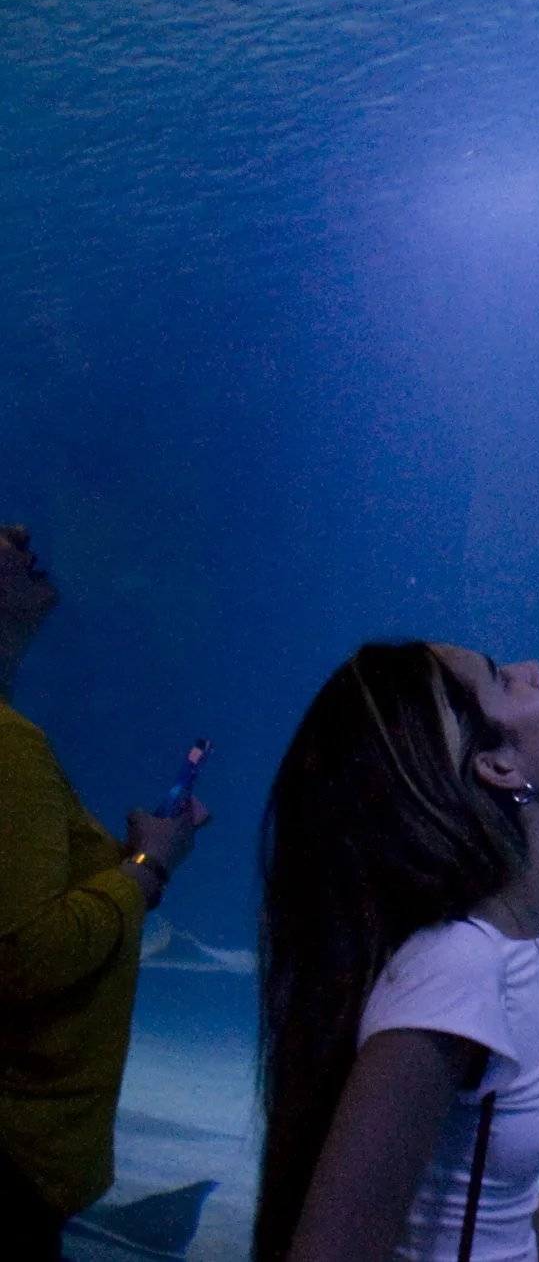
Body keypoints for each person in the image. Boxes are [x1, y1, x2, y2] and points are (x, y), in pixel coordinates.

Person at [255, 640, 539, 1262]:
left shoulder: (505, 949)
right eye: (503, 680)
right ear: (496, 766)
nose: (534, 669)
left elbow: (442, 1198)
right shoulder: (458, 968)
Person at [0, 522, 211, 1262]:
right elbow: (25, 953)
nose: (19, 533)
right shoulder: (8, 746)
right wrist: (148, 867)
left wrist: (129, 862)